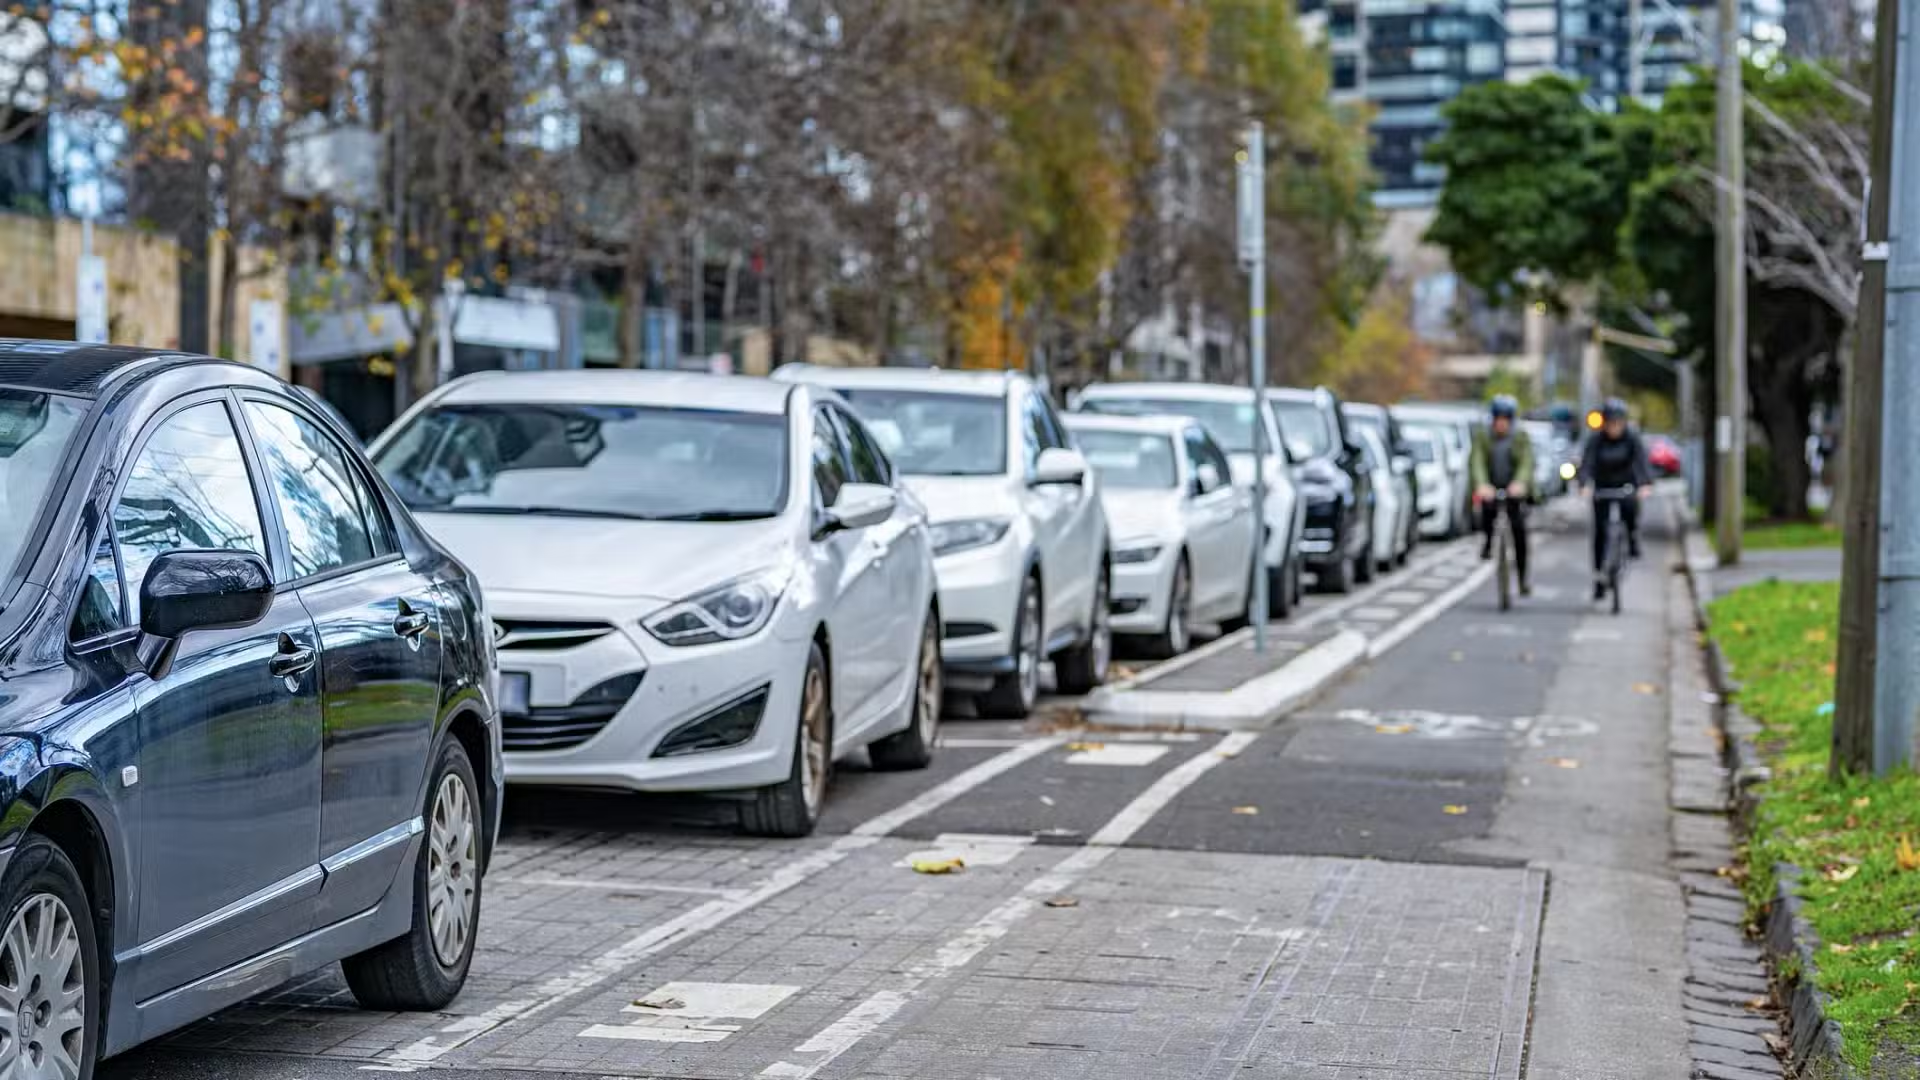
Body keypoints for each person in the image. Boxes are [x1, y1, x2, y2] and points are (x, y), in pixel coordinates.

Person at [1578, 398, 1655, 600]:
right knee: (1600, 532)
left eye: (1618, 423)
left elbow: (1641, 462)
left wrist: (1645, 484)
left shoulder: (1632, 438)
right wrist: (1584, 484)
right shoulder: (1595, 440)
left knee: (1630, 508)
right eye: (1610, 423)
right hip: (1602, 487)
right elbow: (1587, 463)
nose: (1614, 427)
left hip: (1626, 485)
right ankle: (1599, 579)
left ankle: (1632, 537)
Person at [1470, 395, 1534, 595]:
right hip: (1491, 486)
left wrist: (1520, 483)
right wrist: (1481, 484)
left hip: (1514, 487)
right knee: (1487, 513)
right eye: (1498, 418)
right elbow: (1477, 462)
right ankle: (1488, 543)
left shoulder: (1520, 437)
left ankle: (1523, 580)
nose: (1501, 423)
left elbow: (1526, 463)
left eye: (1505, 419)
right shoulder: (1483, 436)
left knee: (1520, 532)